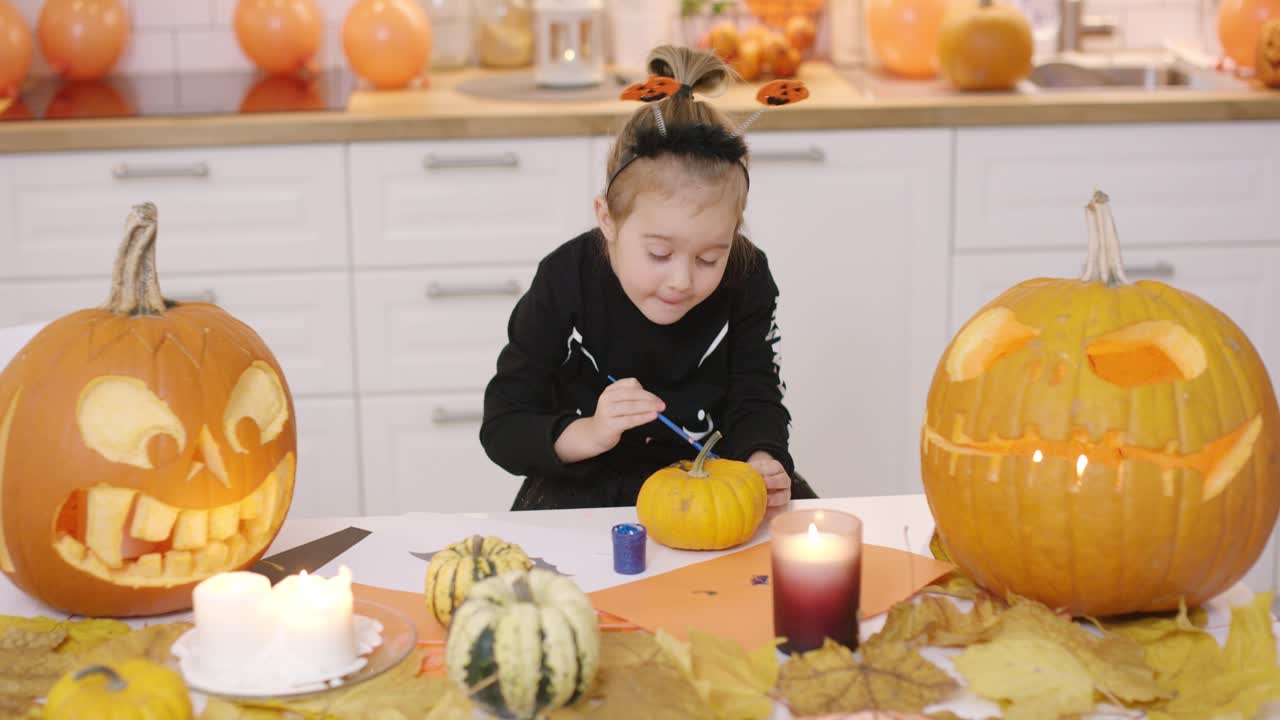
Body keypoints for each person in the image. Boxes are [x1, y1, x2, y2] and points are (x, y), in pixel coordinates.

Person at [480, 44, 817, 510]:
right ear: (608, 219)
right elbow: (505, 425)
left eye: (709, 258)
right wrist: (591, 432)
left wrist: (761, 456)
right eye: (659, 253)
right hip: (586, 484)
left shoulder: (748, 275)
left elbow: (756, 392)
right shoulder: (565, 279)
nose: (682, 280)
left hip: (711, 484)